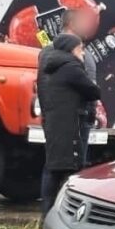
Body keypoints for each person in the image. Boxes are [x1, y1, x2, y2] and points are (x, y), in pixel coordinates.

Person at [38, 33, 102, 215]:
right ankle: (63, 215)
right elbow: (93, 91)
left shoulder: (48, 63)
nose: (83, 54)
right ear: (72, 49)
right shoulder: (71, 67)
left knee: (52, 167)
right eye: (81, 49)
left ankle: (46, 214)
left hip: (53, 122)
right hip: (70, 125)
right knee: (69, 171)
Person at [61, 8, 99, 165]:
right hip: (75, 116)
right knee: (71, 166)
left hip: (79, 114)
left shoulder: (69, 48)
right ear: (72, 24)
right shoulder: (66, 50)